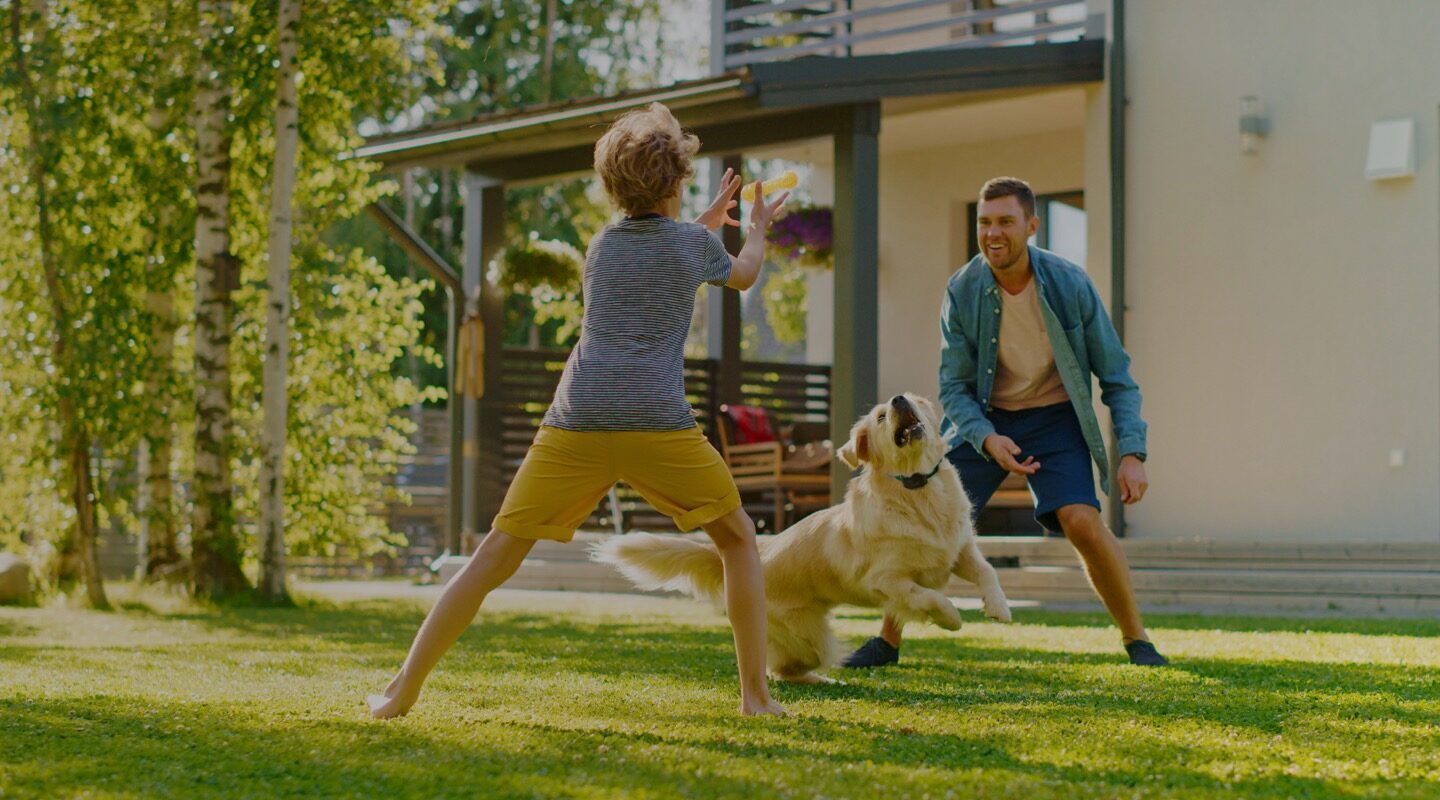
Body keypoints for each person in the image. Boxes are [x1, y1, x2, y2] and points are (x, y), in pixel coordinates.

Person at [369, 103, 791, 719]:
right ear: (676, 182)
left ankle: (400, 691)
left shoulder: (600, 247)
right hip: (656, 425)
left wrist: (701, 220)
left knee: (494, 554)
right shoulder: (693, 245)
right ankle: (756, 697)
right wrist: (753, 226)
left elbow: (665, 250)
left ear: (614, 184)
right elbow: (743, 273)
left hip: (577, 422)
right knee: (738, 540)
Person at [842, 176, 1169, 669]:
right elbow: (952, 387)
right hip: (985, 420)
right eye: (985, 222)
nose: (993, 233)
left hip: (1056, 419)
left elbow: (1117, 376)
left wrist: (1133, 453)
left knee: (1081, 522)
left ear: (1031, 226)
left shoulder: (1069, 283)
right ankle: (887, 641)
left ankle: (1138, 640)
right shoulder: (963, 288)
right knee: (922, 514)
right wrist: (987, 437)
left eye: (1006, 222)